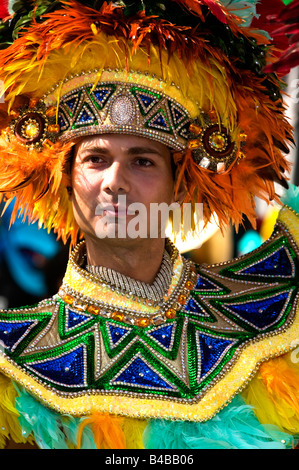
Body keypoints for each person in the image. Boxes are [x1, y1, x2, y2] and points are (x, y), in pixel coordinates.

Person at [0, 0, 298, 450]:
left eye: (142, 161)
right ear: (65, 180)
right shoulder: (15, 362)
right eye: (95, 159)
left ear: (179, 187)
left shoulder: (272, 315)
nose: (114, 182)